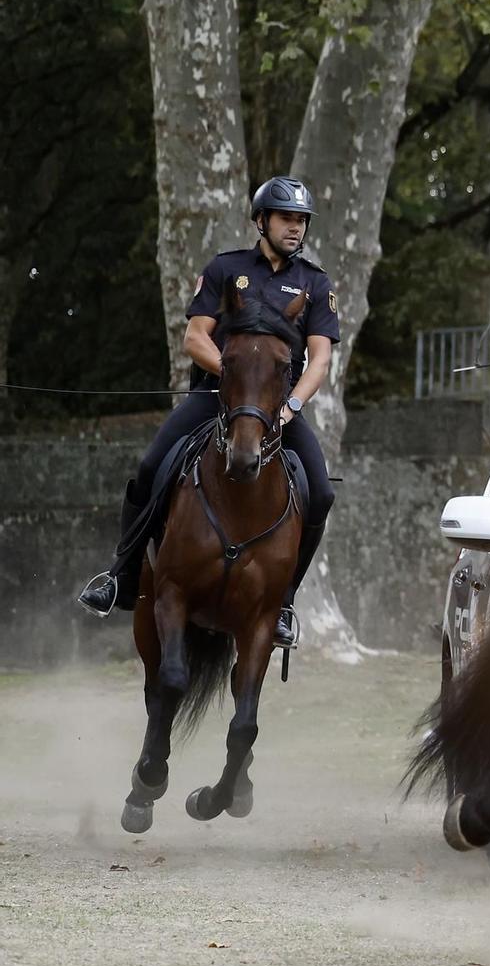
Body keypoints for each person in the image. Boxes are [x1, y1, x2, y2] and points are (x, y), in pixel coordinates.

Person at [77, 178, 339, 651]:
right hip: (214, 397)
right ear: (262, 220)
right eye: (286, 218)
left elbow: (319, 359)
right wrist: (237, 376)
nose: (295, 228)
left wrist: (291, 406)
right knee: (148, 470)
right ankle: (120, 575)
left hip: (279, 411)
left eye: (301, 220)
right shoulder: (225, 268)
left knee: (319, 493)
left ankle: (284, 600)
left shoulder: (315, 283)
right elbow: (196, 336)